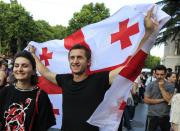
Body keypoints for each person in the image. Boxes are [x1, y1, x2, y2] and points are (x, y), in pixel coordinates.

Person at [29, 8, 158, 131]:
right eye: (72, 58)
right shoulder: (64, 80)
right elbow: (45, 72)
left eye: (79, 57)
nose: (75, 61)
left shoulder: (100, 79)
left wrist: (148, 33)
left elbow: (129, 65)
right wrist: (33, 55)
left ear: (88, 61)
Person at [0, 51, 56, 131]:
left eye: (24, 66)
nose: (19, 69)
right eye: (16, 66)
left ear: (33, 71)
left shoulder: (41, 96)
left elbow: (45, 126)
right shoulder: (5, 91)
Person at [144, 65, 175, 131]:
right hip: (152, 116)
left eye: (161, 74)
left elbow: (168, 100)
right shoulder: (150, 85)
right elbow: (146, 100)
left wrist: (161, 88)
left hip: (165, 116)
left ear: (165, 74)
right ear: (154, 74)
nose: (159, 76)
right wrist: (162, 99)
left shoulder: (170, 86)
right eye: (157, 74)